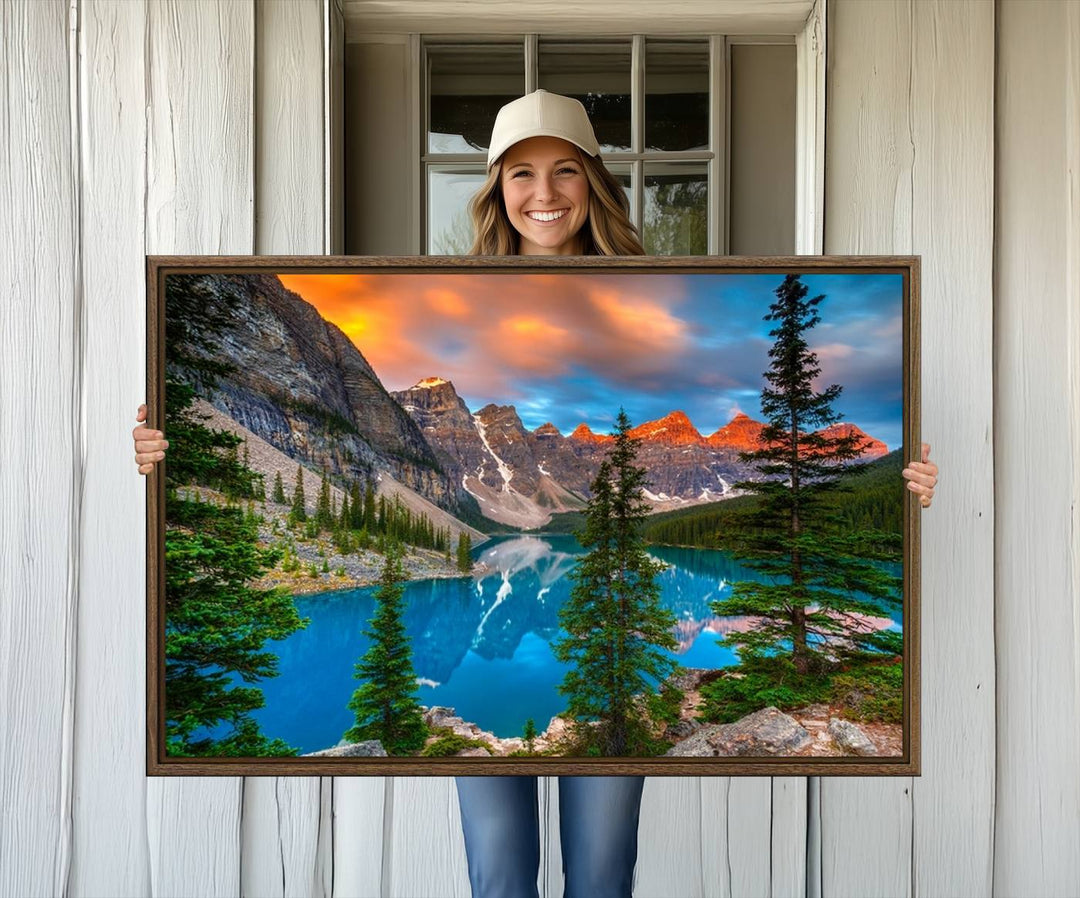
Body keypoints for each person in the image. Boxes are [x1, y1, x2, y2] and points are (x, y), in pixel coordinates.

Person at [132, 90, 939, 898]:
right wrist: (166, 447)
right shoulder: (454, 292)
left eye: (564, 172)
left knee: (601, 872)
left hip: (616, 666)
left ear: (594, 182)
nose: (544, 194)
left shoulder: (655, 289)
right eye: (521, 173)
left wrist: (902, 487)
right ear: (496, 188)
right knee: (499, 873)